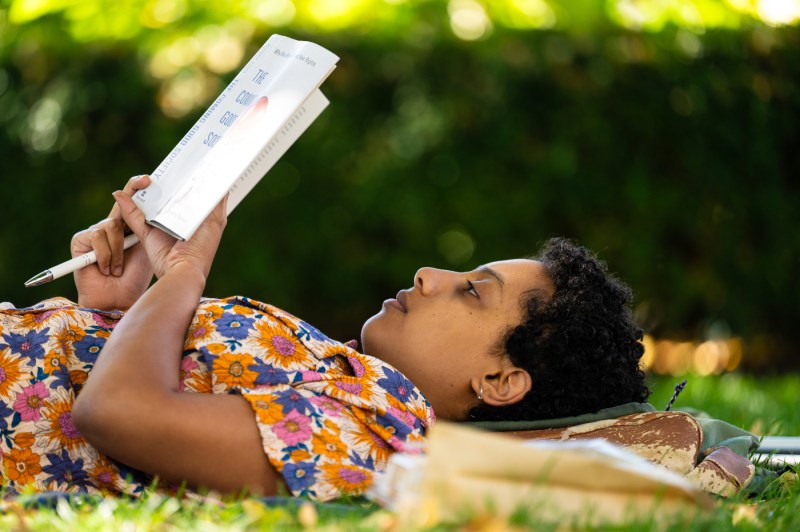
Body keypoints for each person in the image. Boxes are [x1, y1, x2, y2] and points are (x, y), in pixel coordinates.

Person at [0, 176, 649, 500]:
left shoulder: (379, 426)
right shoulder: (339, 373)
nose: (429, 274)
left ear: (501, 381)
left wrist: (184, 271)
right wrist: (111, 315)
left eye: (472, 291)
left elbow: (120, 413)